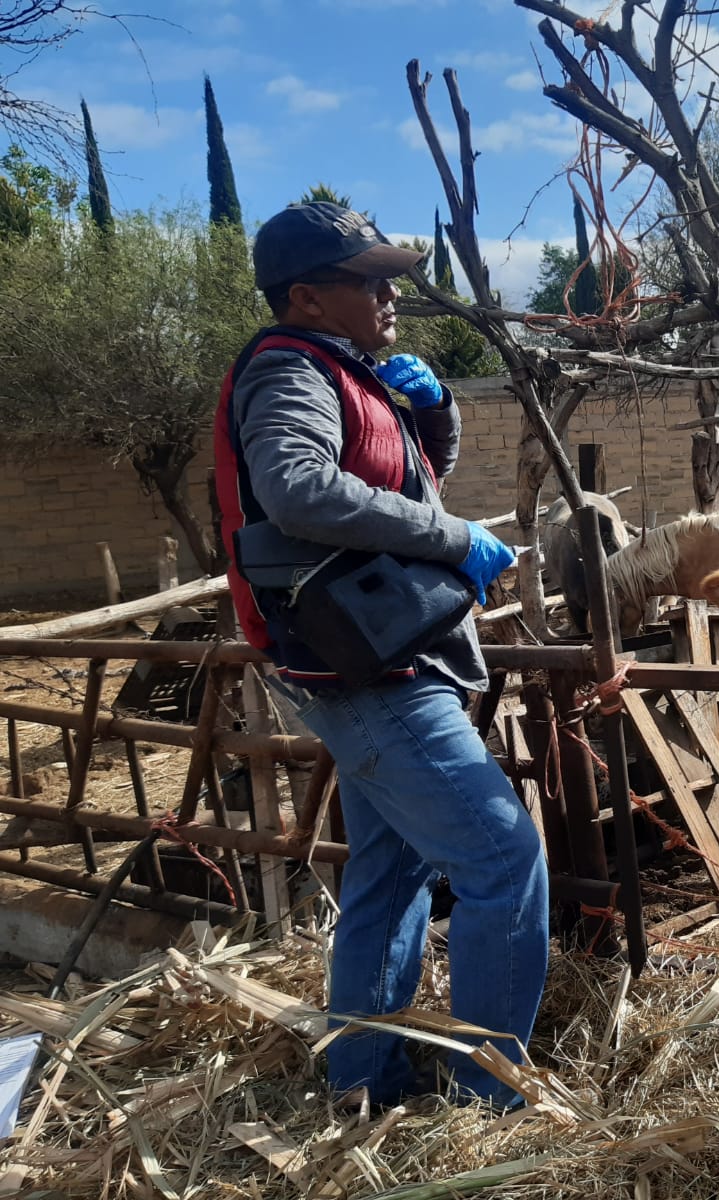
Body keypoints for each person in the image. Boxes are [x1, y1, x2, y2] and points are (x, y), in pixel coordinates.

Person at [212, 201, 548, 1107]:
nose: (390, 293)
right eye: (370, 280)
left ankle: (361, 1080)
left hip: (375, 657)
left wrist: (432, 414)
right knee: (502, 859)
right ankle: (493, 1098)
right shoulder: (289, 371)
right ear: (310, 298)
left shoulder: (343, 371)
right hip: (369, 670)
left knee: (390, 871)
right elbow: (301, 490)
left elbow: (406, 478)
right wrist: (450, 540)